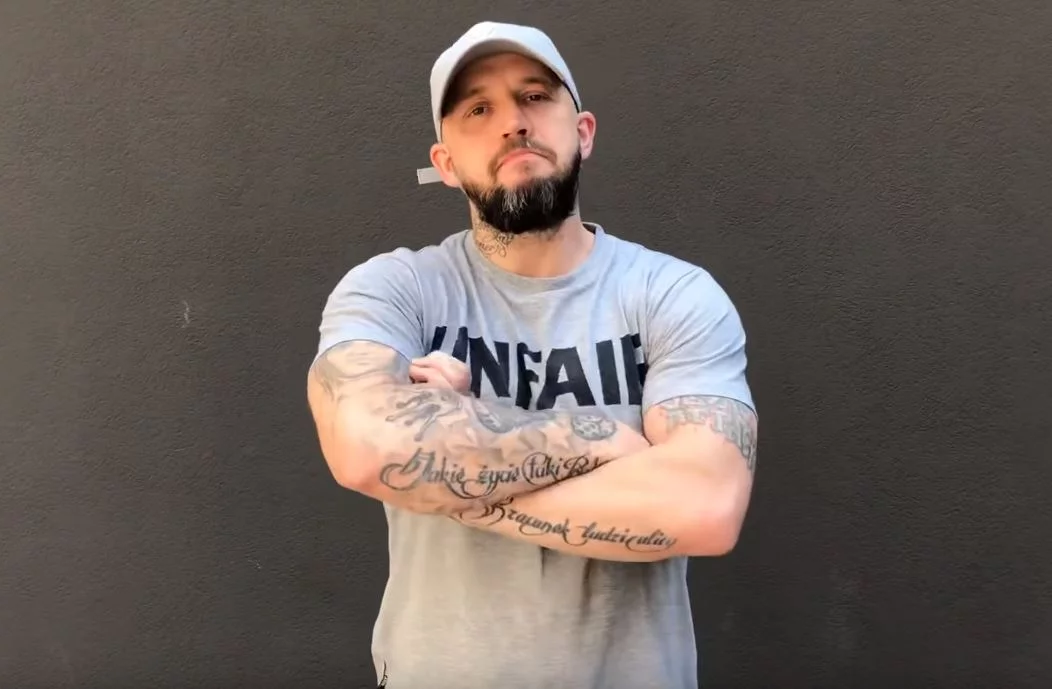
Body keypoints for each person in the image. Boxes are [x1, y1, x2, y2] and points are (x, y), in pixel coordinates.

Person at [306, 20, 758, 689]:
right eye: (478, 109)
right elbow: (366, 447)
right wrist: (611, 439)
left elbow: (706, 506)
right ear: (445, 163)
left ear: (584, 132)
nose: (513, 122)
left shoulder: (672, 293)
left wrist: (448, 465)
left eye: (536, 96)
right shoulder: (396, 289)